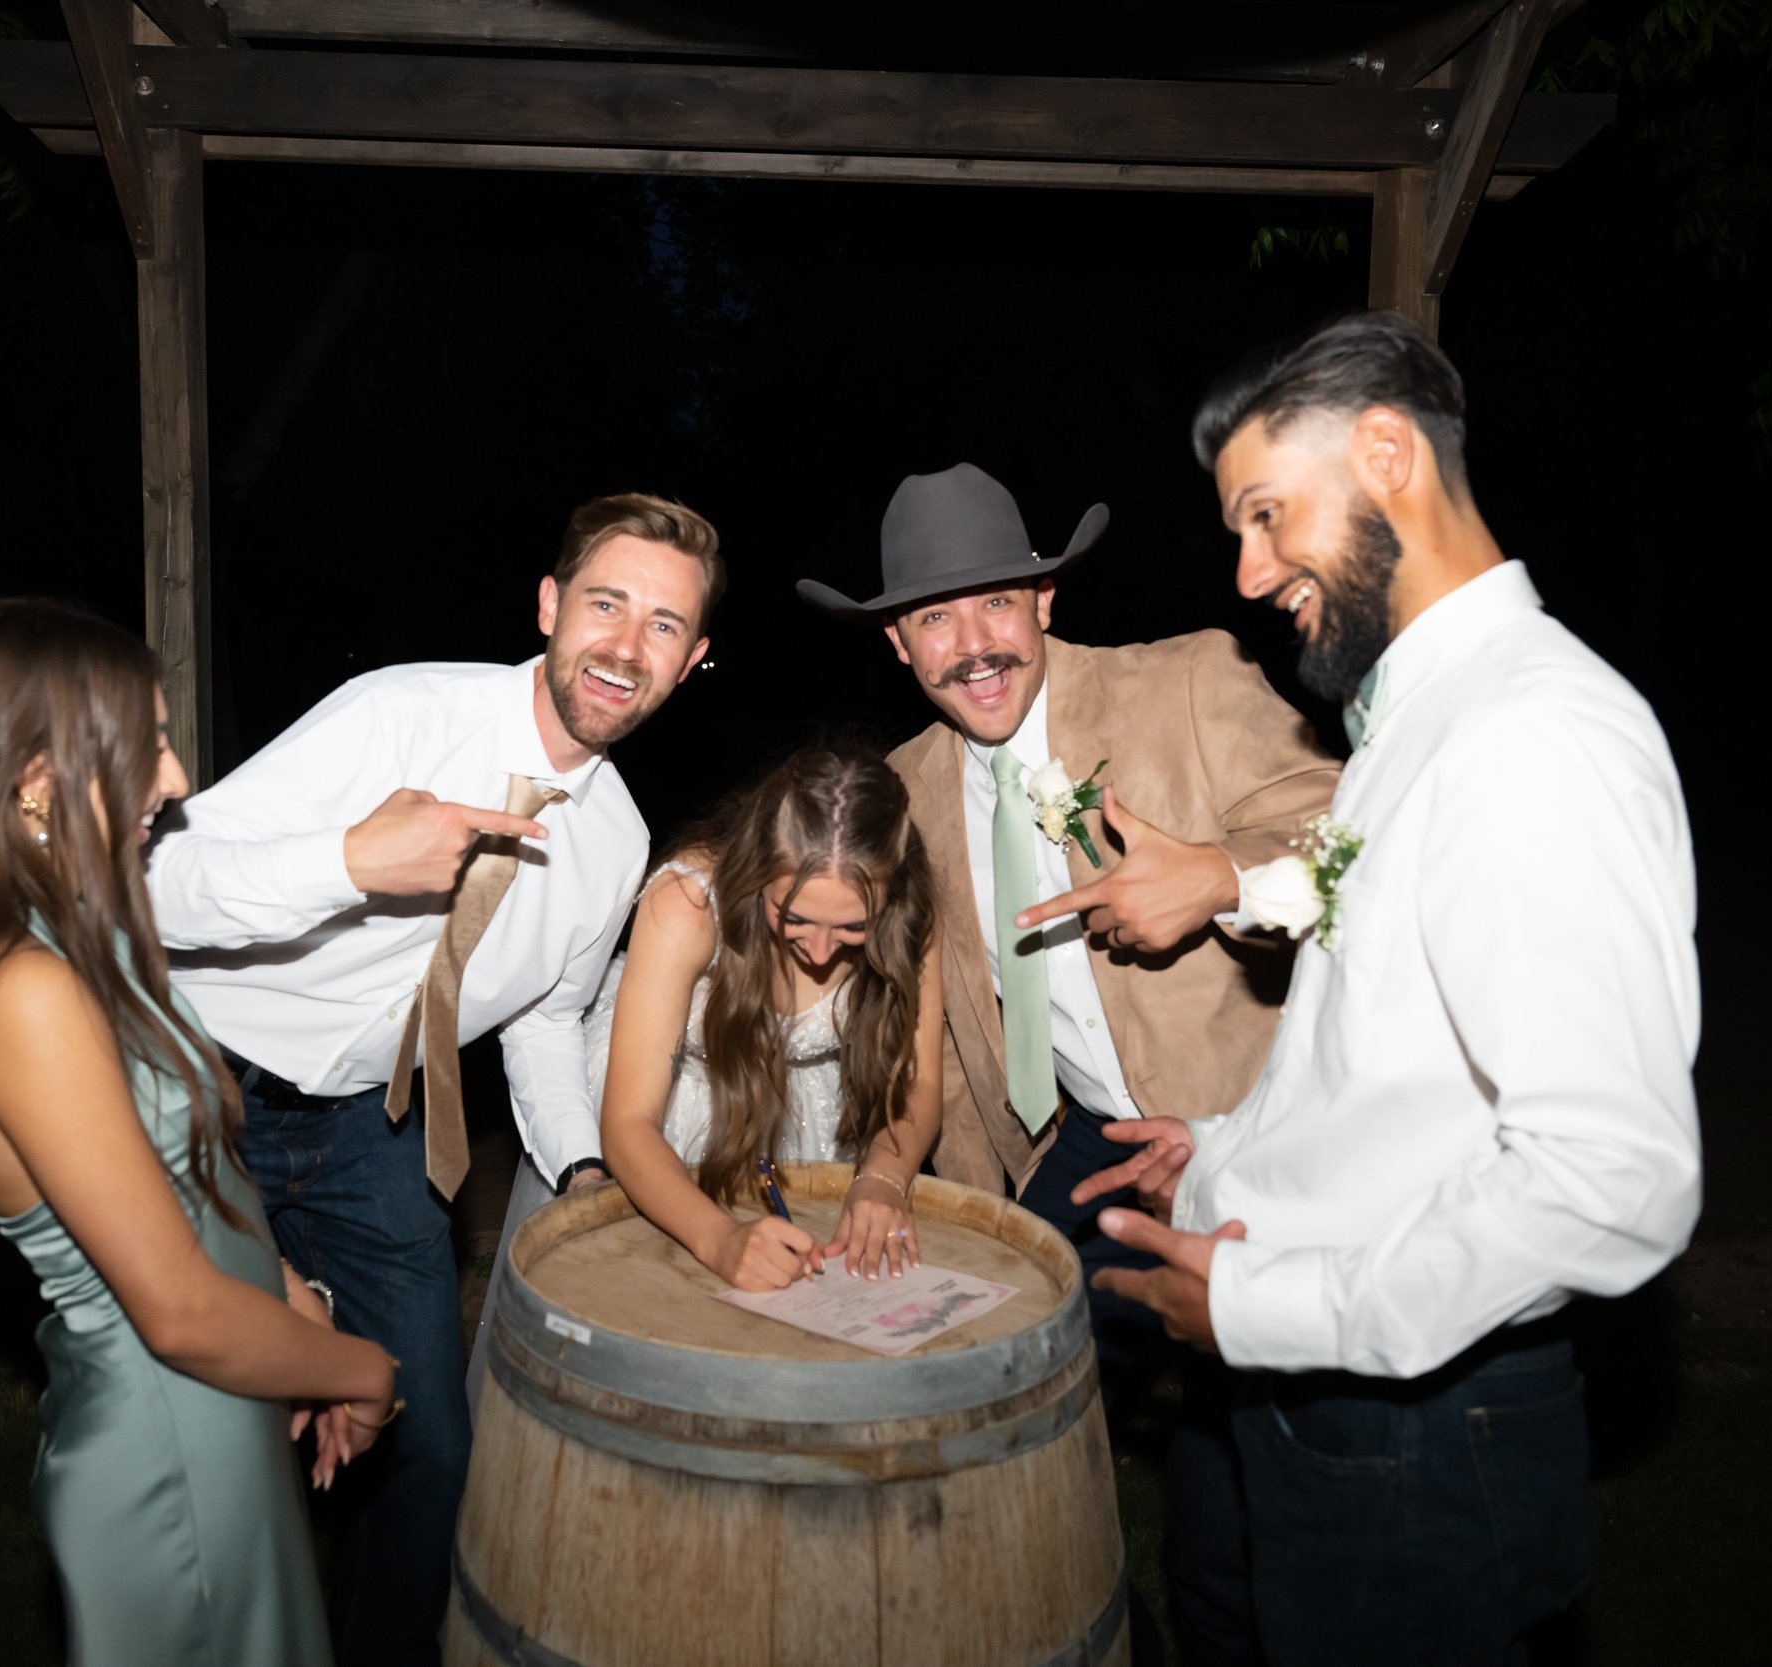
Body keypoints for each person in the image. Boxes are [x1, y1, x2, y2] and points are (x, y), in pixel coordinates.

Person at [1067, 311, 1703, 1666]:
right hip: (1320, 1383)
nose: (1247, 570)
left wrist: (1261, 1307)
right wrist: (1232, 1149)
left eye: (1264, 513)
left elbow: (1613, 1175)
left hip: (1418, 1419)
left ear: (1386, 450)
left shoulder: (1532, 735)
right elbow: (1385, 1036)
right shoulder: (1423, 716)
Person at [145, 493, 721, 1667]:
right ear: (551, 606)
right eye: (607, 603)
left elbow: (547, 1023)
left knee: (431, 1457)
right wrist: (347, 861)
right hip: (201, 1096)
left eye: (664, 626)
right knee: (206, 1457)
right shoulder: (397, 712)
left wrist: (587, 1166)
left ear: (692, 661)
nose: (625, 644)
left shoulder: (614, 842)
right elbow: (151, 882)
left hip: (380, 1133)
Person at [798, 462, 1342, 1665]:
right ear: (897, 644)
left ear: (1045, 600)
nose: (972, 644)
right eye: (934, 617)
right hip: (1084, 1151)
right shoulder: (908, 791)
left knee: (1240, 1498)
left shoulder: (1187, 679)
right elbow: (922, 1019)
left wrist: (1215, 872)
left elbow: (1351, 820)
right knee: (993, 1423)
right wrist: (902, 1184)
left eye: (995, 601)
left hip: (1260, 1133)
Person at [0, 598, 396, 1667]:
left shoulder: (73, 932)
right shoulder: (17, 991)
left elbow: (181, 1165)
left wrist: (285, 1295)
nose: (174, 779)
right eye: (148, 744)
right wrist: (362, 1365)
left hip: (224, 1392)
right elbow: (174, 1309)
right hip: (170, 1433)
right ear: (36, 774)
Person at [591, 744, 945, 1290]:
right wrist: (720, 1238)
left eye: (853, 928)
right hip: (677, 1111)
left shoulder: (911, 912)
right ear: (758, 872)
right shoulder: (686, 904)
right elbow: (629, 1123)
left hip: (811, 1111)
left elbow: (917, 1084)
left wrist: (883, 1179)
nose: (823, 953)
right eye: (796, 918)